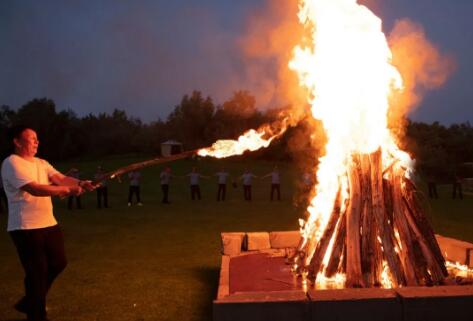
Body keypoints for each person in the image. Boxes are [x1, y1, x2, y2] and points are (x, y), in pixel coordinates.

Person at [1, 126, 94, 321]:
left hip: (48, 223)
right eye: (32, 138)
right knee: (37, 272)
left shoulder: (42, 163)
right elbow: (34, 189)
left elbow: (60, 178)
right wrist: (67, 191)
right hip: (25, 227)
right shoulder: (11, 163)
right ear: (17, 142)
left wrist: (79, 183)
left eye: (37, 138)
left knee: (59, 263)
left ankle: (29, 302)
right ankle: (36, 314)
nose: (37, 142)